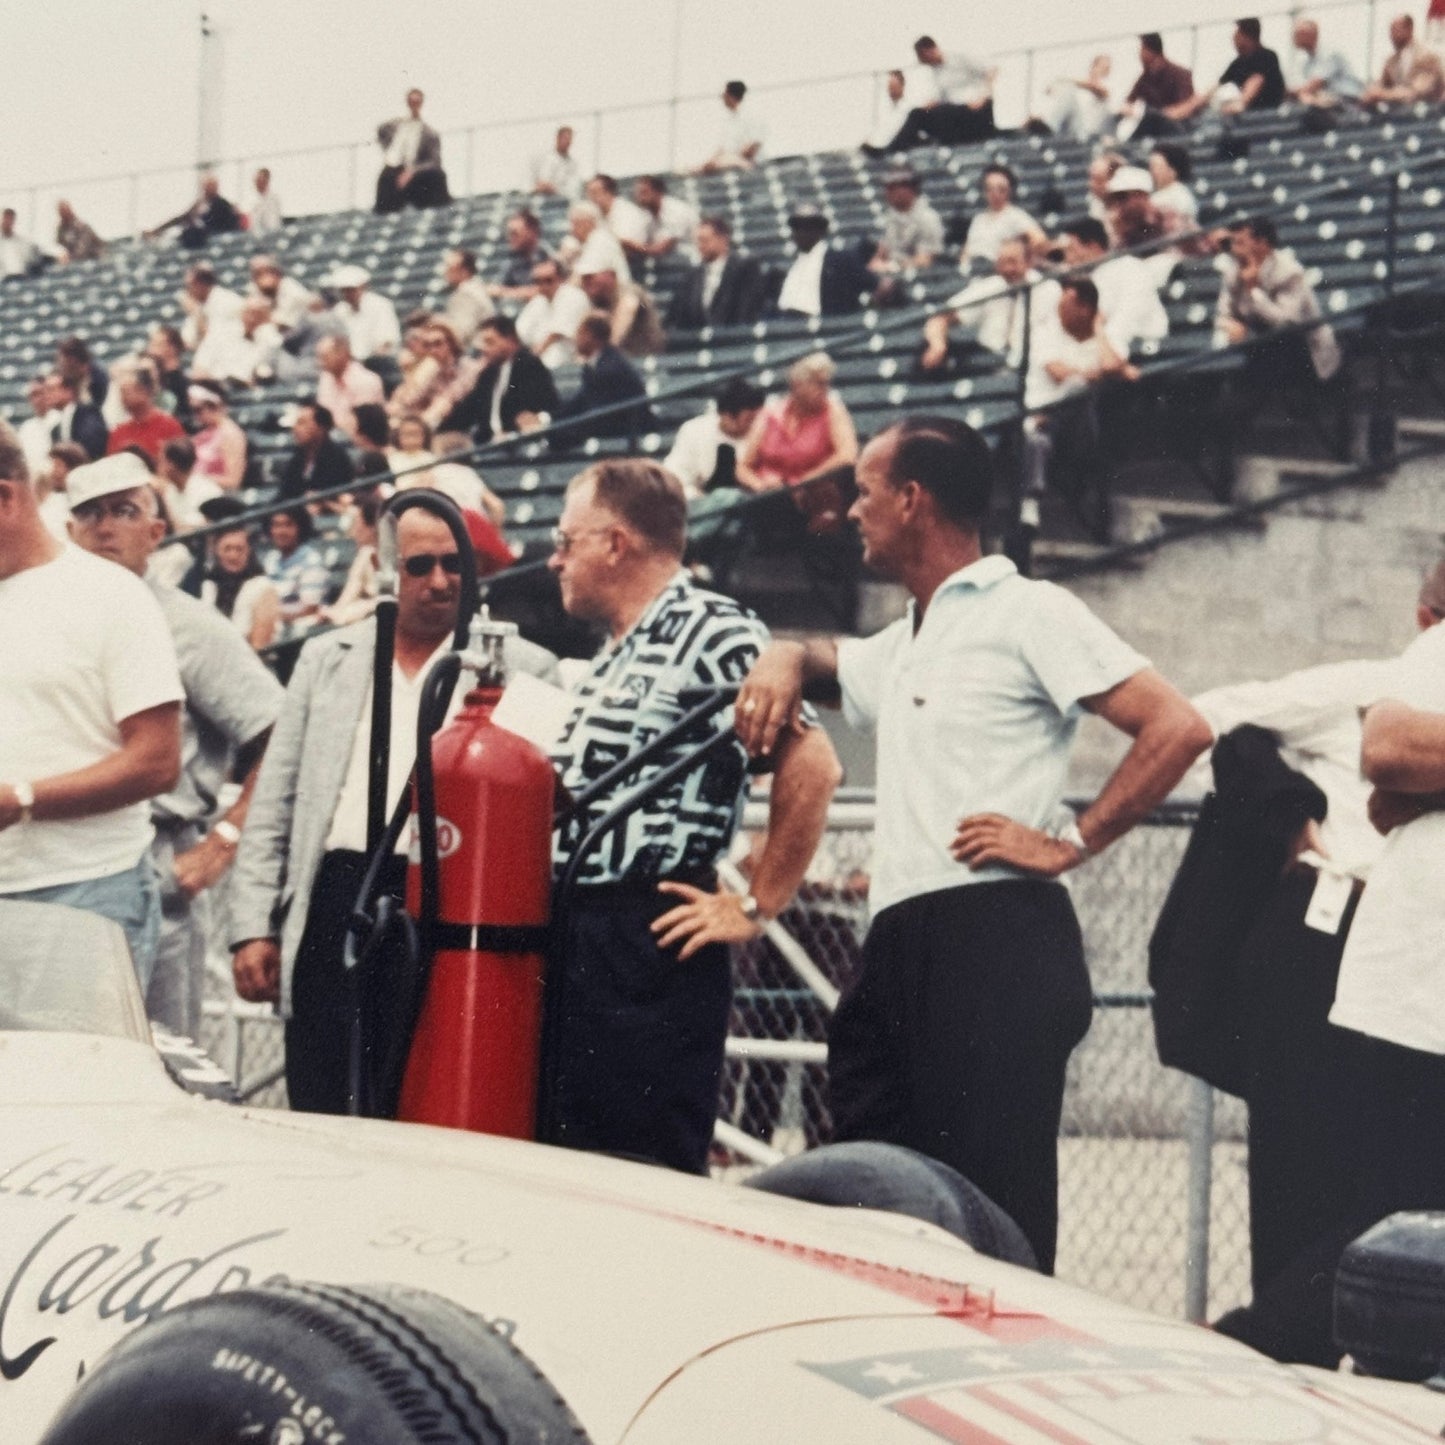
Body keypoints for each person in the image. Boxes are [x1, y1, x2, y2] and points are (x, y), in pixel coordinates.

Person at [734, 415, 1210, 1270]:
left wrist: (1069, 839)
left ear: (911, 500)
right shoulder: (907, 636)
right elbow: (821, 658)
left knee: (993, 1212)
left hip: (996, 935)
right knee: (865, 1187)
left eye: (866, 494)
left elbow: (1175, 726)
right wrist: (781, 658)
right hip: (898, 942)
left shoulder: (1026, 609)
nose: (850, 513)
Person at [544, 459, 840, 1173]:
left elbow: (812, 764)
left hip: (650, 933)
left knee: (636, 1167)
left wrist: (753, 901)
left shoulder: (712, 631)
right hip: (580, 934)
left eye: (567, 540)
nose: (555, 558)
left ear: (615, 544)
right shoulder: (615, 648)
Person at [1186, 566, 1445, 1368]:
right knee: (1333, 1189)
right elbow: (1215, 723)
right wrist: (1293, 816)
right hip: (1343, 947)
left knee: (1379, 1196)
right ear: (1423, 614)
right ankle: (1264, 1349)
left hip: (1389, 957)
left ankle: (1275, 1342)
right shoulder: (1390, 675)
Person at [229, 504, 557, 1112]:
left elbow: (550, 810)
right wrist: (251, 925)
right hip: (338, 891)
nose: (440, 581)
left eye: (455, 564)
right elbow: (276, 797)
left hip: (449, 901)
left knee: (422, 1088)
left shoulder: (526, 668)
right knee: (321, 1089)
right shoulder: (328, 659)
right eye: (421, 565)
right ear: (384, 567)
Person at [65, 452, 283, 1038]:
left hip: (157, 856)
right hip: (62, 855)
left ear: (156, 532)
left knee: (157, 1063)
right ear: (68, 530)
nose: (105, 527)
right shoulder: (53, 618)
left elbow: (282, 736)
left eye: (124, 511)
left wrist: (223, 842)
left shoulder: (187, 624)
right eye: (90, 514)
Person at [0, 425, 184, 981]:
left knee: (77, 1068)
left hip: (84, 895)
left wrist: (23, 800)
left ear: (6, 498)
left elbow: (157, 761)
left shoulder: (109, 594)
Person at [736, 353, 858, 533]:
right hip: (772, 499)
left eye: (827, 383)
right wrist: (761, 486)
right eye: (819, 383)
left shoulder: (833, 411)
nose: (825, 390)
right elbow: (742, 467)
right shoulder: (770, 414)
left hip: (815, 498)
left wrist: (803, 481)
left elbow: (848, 456)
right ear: (797, 385)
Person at [1215, 217, 1341, 385]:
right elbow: (1221, 313)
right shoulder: (1233, 270)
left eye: (1240, 243)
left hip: (1303, 347)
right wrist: (1228, 324)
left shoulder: (1288, 271)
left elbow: (1284, 322)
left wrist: (1253, 289)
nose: (1234, 249)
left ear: (1262, 244)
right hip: (1261, 345)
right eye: (1233, 243)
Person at [921, 237, 1058, 372]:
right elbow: (939, 318)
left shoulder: (1048, 290)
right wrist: (937, 345)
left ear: (1029, 262)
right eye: (1001, 263)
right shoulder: (991, 287)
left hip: (1028, 366)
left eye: (1012, 262)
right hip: (987, 365)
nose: (1007, 269)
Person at [436, 314, 560, 445]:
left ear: (510, 340)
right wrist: (435, 433)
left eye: (490, 342)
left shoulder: (530, 365)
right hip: (488, 442)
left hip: (519, 442)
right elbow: (468, 409)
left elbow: (531, 412)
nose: (484, 348)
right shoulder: (490, 371)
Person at [1059, 217, 1170, 359]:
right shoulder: (1084, 282)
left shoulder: (1128, 266)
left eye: (1072, 250)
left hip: (1145, 349)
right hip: (1106, 353)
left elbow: (1129, 315)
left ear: (1093, 246)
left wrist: (1108, 353)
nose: (1068, 259)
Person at [551, 313, 656, 444]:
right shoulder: (593, 365)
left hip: (626, 427)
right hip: (606, 420)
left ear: (590, 336)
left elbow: (602, 412)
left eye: (580, 333)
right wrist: (548, 419)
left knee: (559, 437)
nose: (575, 339)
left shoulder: (610, 367)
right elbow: (580, 401)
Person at [884, 36, 997, 150]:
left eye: (923, 57)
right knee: (918, 113)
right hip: (954, 112)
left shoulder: (958, 56)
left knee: (920, 115)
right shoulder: (936, 71)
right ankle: (901, 147)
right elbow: (943, 97)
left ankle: (893, 149)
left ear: (930, 50)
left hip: (975, 110)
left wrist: (983, 96)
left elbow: (991, 69)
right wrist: (930, 105)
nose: (923, 62)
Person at [663, 377, 767, 500]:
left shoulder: (765, 429)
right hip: (704, 503)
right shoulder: (695, 431)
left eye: (757, 418)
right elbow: (675, 477)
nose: (754, 424)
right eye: (749, 419)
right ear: (726, 415)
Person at [665, 216, 768, 331]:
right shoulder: (692, 275)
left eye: (704, 240)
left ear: (723, 240)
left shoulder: (745, 268)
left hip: (733, 340)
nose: (700, 246)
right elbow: (676, 316)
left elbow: (746, 312)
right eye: (697, 241)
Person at [1172, 18, 1287, 120]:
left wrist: (1241, 102)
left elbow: (1256, 80)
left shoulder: (1267, 56)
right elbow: (1216, 87)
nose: (1233, 39)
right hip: (1244, 116)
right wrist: (1185, 109)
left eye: (1237, 34)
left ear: (1245, 36)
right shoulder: (1237, 63)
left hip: (1264, 114)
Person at [774, 206, 877, 318]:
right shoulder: (791, 266)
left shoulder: (840, 260)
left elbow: (877, 286)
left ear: (820, 231)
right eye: (796, 228)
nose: (800, 233)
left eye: (807, 228)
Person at [200, 515, 280, 650]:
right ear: (217, 552)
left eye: (239, 549)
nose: (233, 555)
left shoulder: (262, 587)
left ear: (249, 552)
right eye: (227, 549)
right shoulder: (209, 586)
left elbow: (260, 645)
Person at [375, 88, 451, 212]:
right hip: (397, 169)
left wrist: (412, 171)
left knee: (437, 177)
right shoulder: (396, 125)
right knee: (385, 179)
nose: (413, 105)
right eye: (411, 102)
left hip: (418, 172)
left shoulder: (429, 133)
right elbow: (381, 131)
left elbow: (434, 162)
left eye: (417, 102)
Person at [959, 165, 1047, 272]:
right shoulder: (978, 219)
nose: (995, 193)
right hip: (971, 271)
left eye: (1001, 189)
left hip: (996, 273)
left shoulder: (1016, 216)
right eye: (990, 188)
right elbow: (967, 251)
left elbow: (1040, 241)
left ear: (1009, 190)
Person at [577, 263, 666, 358]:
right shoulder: (597, 300)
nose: (587, 282)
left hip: (643, 358)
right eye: (584, 278)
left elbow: (614, 340)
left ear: (610, 275)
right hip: (618, 360)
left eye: (590, 277)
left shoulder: (629, 293)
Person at [867, 168, 945, 274]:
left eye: (892, 188)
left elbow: (925, 260)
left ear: (909, 189)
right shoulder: (892, 216)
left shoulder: (927, 218)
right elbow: (883, 251)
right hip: (893, 273)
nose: (887, 193)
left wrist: (893, 266)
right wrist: (875, 263)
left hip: (920, 276)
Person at [1118, 32, 1196, 138]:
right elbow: (1128, 103)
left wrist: (1162, 115)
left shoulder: (1180, 73)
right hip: (1153, 129)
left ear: (1150, 51)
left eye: (1141, 49)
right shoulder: (1145, 78)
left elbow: (1188, 106)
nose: (1139, 54)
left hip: (1176, 129)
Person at [516, 259, 592, 368]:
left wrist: (530, 361)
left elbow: (555, 334)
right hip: (542, 359)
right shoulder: (538, 301)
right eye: (538, 281)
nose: (543, 285)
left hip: (568, 360)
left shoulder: (573, 295)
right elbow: (520, 333)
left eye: (548, 280)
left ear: (561, 279)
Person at [105, 361, 186, 461]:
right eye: (121, 393)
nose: (122, 399)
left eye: (126, 392)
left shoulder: (170, 426)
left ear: (144, 390)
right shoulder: (118, 433)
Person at [1361, 12, 1445, 106]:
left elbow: (1416, 92)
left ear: (1409, 29)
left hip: (1431, 114)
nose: (1391, 36)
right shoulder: (1391, 61)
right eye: (1391, 31)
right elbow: (1381, 84)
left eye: (1395, 30)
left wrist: (1382, 94)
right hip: (1402, 116)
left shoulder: (1427, 57)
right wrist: (1370, 93)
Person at [278, 401, 354, 502]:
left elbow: (337, 494)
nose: (296, 429)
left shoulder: (337, 458)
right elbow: (285, 493)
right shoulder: (297, 459)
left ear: (321, 428)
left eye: (302, 423)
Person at [317, 334, 386, 442]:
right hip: (332, 439)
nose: (320, 363)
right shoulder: (325, 378)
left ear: (342, 354)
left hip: (362, 441)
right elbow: (323, 416)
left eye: (325, 357)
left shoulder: (367, 380)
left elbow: (362, 424)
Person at [326, 265, 401, 361]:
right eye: (343, 290)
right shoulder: (339, 310)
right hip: (350, 363)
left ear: (363, 286)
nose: (347, 294)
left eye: (351, 290)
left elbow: (387, 342)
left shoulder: (381, 305)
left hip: (377, 362)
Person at [1286, 17, 1364, 107]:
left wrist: (1290, 92)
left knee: (1306, 100)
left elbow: (1314, 85)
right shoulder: (1306, 62)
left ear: (1311, 35)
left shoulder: (1329, 54)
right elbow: (1300, 86)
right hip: (1330, 99)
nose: (1294, 38)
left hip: (1348, 99)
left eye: (1298, 34)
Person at [1031, 55, 1113, 140]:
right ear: (1093, 67)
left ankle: (1048, 129)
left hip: (1089, 134)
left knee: (1069, 93)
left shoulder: (1107, 86)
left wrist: (1064, 80)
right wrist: (1055, 87)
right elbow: (1050, 92)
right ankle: (1044, 127)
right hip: (1071, 129)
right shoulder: (1080, 90)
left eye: (1107, 69)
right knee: (1065, 94)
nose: (1104, 71)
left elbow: (1098, 89)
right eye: (1102, 67)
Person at [147, 175, 241, 249]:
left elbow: (231, 223)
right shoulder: (198, 204)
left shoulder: (223, 204)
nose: (208, 189)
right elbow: (181, 219)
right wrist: (158, 230)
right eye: (206, 186)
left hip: (209, 238)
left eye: (212, 186)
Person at [153, 437, 221, 534]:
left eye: (161, 461)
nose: (157, 467)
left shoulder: (207, 490)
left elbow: (192, 531)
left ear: (171, 465)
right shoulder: (170, 490)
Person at [188, 381, 248, 492]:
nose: (195, 416)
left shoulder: (231, 435)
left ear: (214, 405)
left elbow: (233, 481)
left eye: (198, 410)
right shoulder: (205, 432)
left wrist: (195, 478)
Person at [625, 175, 699, 262]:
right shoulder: (646, 213)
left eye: (644, 193)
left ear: (657, 192)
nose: (640, 198)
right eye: (638, 194)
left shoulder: (676, 210)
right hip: (668, 261)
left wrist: (632, 245)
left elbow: (660, 249)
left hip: (690, 257)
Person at [698, 80, 767, 172]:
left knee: (718, 163)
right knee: (697, 168)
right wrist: (710, 162)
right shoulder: (729, 120)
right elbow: (723, 148)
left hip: (750, 164)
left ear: (730, 96)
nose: (722, 98)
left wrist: (730, 159)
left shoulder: (752, 117)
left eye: (724, 95)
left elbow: (752, 148)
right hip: (732, 160)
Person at [485, 214, 553, 304]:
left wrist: (508, 292)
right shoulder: (512, 261)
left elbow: (545, 291)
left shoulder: (547, 256)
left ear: (532, 232)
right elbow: (494, 290)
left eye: (514, 233)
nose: (510, 238)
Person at [46, 370, 108, 460]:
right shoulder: (55, 431)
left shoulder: (89, 414)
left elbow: (94, 449)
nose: (47, 395)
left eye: (51, 389)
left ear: (68, 391)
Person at [562, 199, 629, 280]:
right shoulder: (590, 240)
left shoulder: (600, 240)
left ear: (588, 223)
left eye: (575, 223)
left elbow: (580, 277)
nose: (571, 229)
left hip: (619, 291)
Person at [1147, 143, 1198, 227]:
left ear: (1173, 171)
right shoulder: (1160, 194)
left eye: (1155, 167)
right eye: (1150, 167)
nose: (1151, 171)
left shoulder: (1179, 197)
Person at [862, 70, 909, 154]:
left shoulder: (908, 107)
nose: (891, 90)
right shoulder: (885, 109)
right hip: (883, 148)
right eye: (889, 87)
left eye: (894, 87)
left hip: (899, 147)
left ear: (902, 85)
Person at [531, 124, 582, 199]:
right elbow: (543, 184)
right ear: (558, 138)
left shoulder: (572, 163)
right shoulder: (548, 159)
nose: (568, 142)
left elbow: (573, 186)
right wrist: (552, 188)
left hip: (566, 199)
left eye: (570, 139)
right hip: (547, 200)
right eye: (565, 138)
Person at [55, 200, 103, 265]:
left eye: (65, 211)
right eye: (61, 212)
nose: (63, 214)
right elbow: (58, 243)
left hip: (93, 256)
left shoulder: (81, 226)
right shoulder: (61, 229)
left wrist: (69, 257)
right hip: (75, 259)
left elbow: (82, 248)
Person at [0, 208, 40, 280]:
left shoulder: (22, 242)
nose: (7, 222)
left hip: (20, 278)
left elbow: (34, 257)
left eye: (10, 219)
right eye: (5, 219)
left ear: (13, 221)